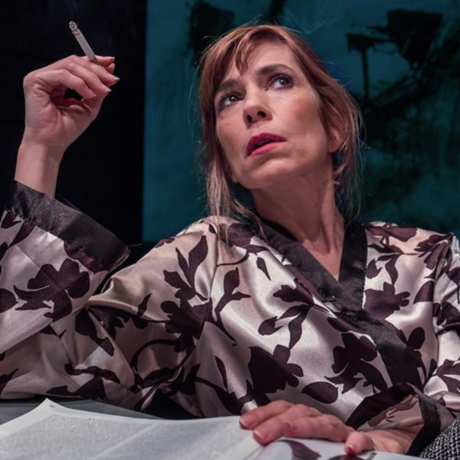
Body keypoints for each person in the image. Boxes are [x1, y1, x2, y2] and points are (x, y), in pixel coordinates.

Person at [0, 24, 459, 457]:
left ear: (334, 124)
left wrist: (380, 440)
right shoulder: (201, 262)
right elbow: (25, 364)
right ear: (227, 161)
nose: (252, 107)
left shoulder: (435, 257)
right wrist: (42, 147)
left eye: (279, 81)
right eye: (230, 98)